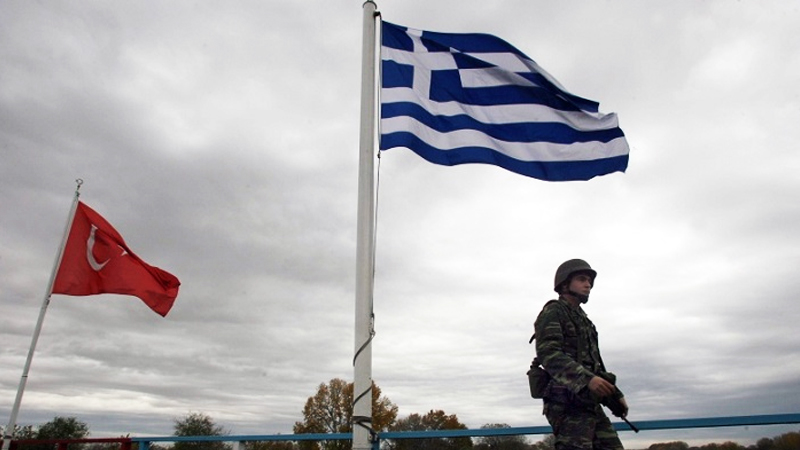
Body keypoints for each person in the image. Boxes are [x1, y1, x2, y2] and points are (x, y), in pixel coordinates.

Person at [533, 259, 627, 450]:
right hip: (566, 403)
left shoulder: (584, 320)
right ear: (565, 283)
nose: (588, 285)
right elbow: (549, 354)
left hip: (588, 402)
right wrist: (588, 380)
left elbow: (594, 365)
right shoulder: (553, 312)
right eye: (582, 279)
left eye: (590, 282)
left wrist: (614, 395)